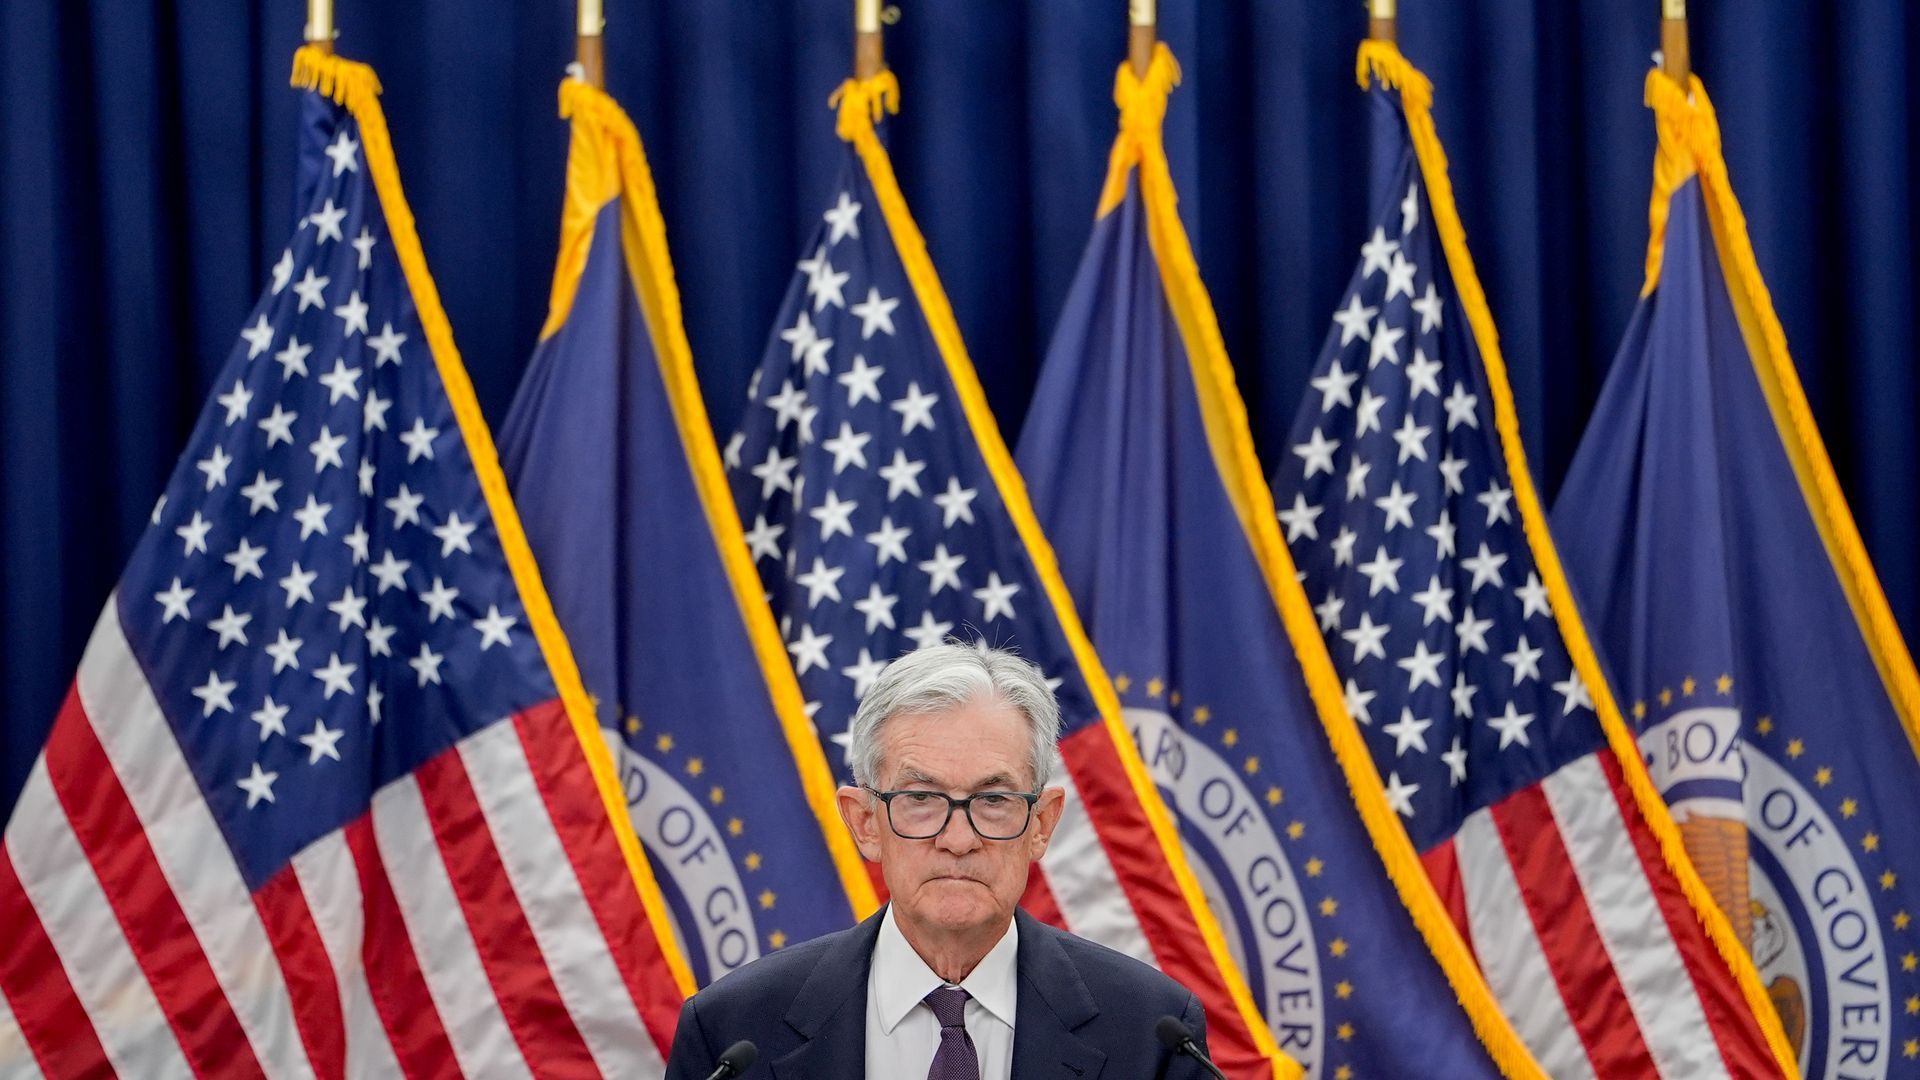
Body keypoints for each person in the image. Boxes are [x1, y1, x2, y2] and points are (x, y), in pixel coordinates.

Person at [665, 643, 1215, 1079]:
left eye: (993, 799)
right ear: (865, 822)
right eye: (921, 799)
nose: (957, 839)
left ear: (1042, 824)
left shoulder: (1151, 1034)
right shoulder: (733, 1033)